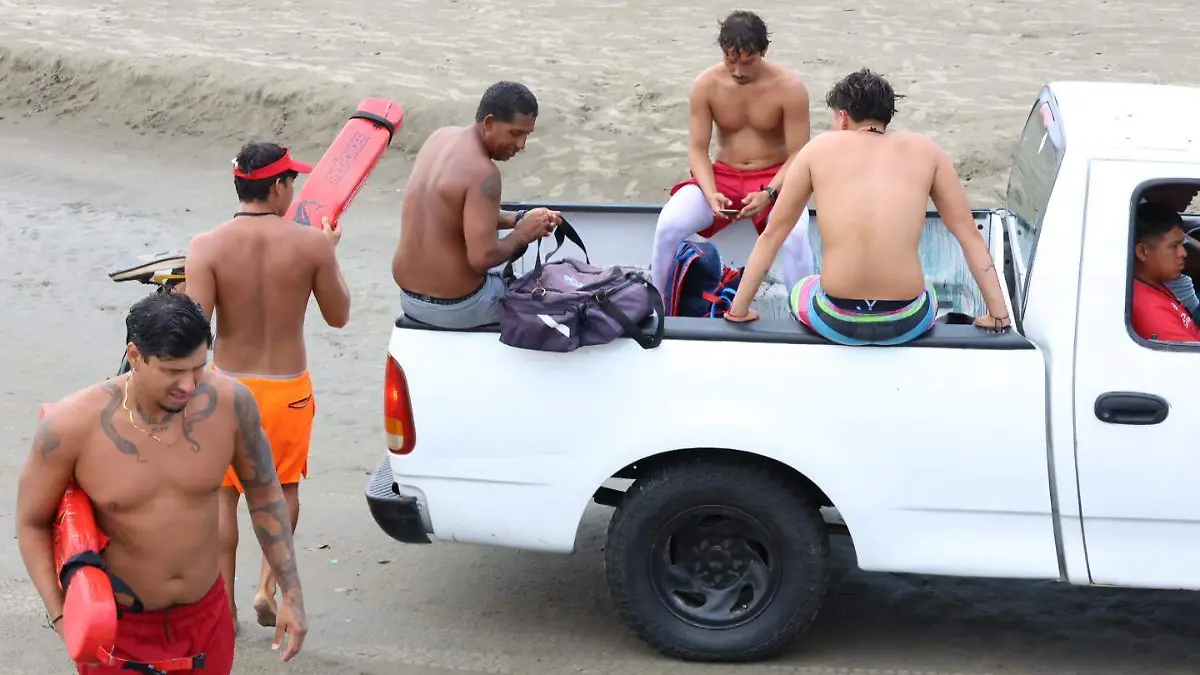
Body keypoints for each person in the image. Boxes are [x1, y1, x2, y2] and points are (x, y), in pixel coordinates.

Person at [15, 292, 307, 674]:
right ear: (135, 356)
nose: (188, 385)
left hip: (205, 620)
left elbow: (266, 496)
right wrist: (60, 616)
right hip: (119, 628)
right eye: (172, 371)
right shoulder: (72, 426)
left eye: (198, 368)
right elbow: (32, 521)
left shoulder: (232, 405)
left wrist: (291, 594)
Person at [184, 141, 349, 631]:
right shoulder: (310, 244)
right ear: (278, 187)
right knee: (282, 489)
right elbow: (339, 318)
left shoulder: (205, 246)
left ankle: (225, 609)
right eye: (291, 183)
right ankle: (266, 588)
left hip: (227, 386)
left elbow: (195, 332)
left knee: (223, 495)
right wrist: (329, 254)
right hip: (286, 390)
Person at [723, 68, 1012, 344]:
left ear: (844, 118)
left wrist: (739, 311)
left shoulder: (817, 150)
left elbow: (774, 234)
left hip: (835, 318)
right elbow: (968, 235)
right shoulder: (928, 151)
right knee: (928, 292)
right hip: (907, 319)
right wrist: (999, 316)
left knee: (802, 287)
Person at [649, 10, 815, 297]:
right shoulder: (706, 84)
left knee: (796, 236)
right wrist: (710, 192)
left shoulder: (790, 87)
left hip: (775, 178)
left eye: (748, 61)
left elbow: (800, 153)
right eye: (731, 60)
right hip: (722, 176)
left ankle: (802, 312)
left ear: (764, 51)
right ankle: (658, 309)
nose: (739, 71)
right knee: (668, 225)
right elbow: (698, 149)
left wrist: (770, 194)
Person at [392, 81, 560, 329]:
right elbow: (482, 258)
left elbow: (454, 212)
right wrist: (522, 235)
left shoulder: (439, 138)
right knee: (555, 302)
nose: (522, 145)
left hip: (409, 299)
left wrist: (519, 218)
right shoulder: (484, 172)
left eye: (527, 135)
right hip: (459, 307)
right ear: (489, 123)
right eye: (515, 133)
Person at [1130, 201, 1200, 342]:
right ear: (1143, 252)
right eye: (1174, 246)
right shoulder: (1151, 311)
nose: (1183, 253)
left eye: (1182, 244)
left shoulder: (1152, 285)